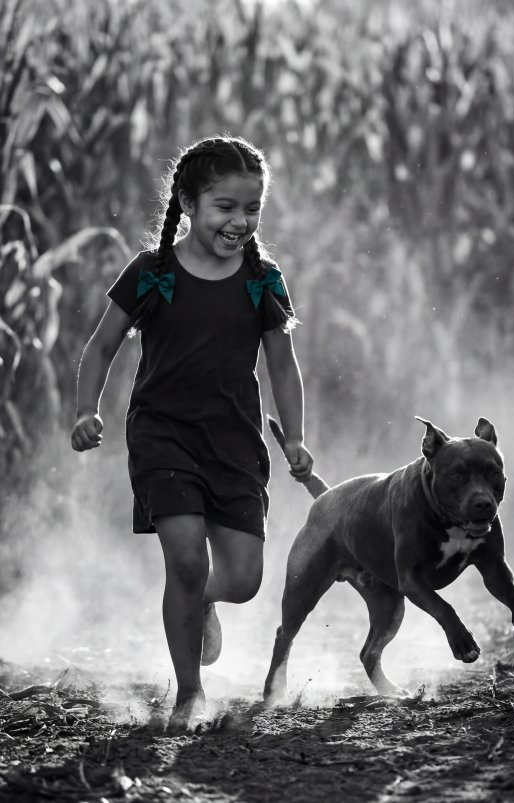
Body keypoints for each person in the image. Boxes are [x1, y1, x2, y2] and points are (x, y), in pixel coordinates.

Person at [70, 135, 313, 734]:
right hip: (162, 435)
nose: (240, 221)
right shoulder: (151, 273)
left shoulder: (263, 280)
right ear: (187, 202)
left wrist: (295, 438)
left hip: (235, 441)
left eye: (252, 209)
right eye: (225, 206)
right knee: (183, 558)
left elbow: (282, 365)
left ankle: (200, 600)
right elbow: (101, 346)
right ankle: (189, 694)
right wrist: (84, 411)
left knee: (245, 580)